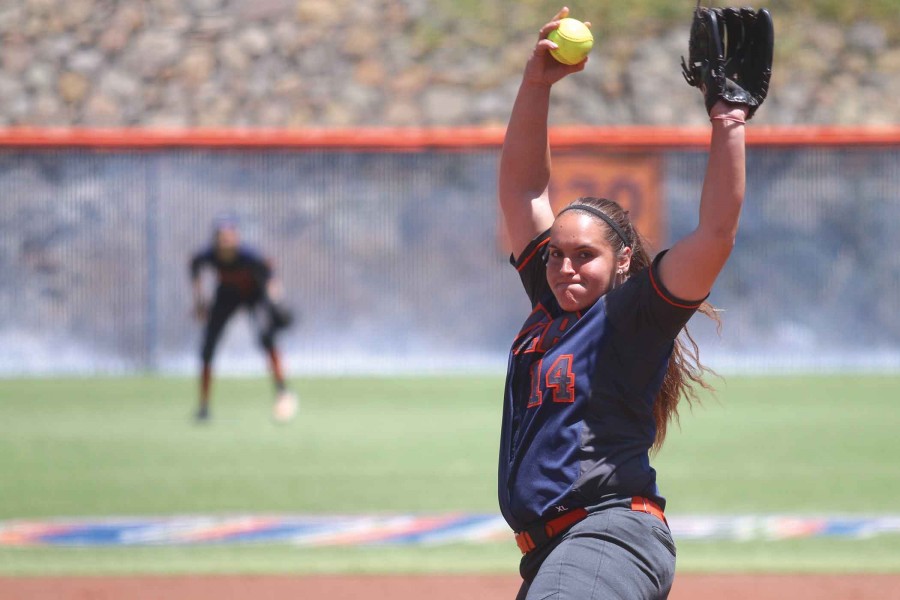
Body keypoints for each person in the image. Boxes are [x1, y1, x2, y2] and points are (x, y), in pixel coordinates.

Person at [497, 7, 770, 599]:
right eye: (555, 255)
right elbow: (523, 189)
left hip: (608, 538)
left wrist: (728, 122)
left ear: (622, 259)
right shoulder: (552, 304)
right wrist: (535, 84)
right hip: (555, 554)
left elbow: (715, 235)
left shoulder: (631, 316)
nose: (564, 266)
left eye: (584, 256)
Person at [189, 215, 297, 423]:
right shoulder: (209, 256)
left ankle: (283, 392)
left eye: (230, 237)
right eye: (222, 237)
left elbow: (270, 278)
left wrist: (276, 303)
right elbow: (194, 267)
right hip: (226, 296)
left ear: (237, 238)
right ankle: (203, 406)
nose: (226, 242)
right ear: (216, 239)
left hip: (253, 296)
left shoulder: (249, 257)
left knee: (267, 340)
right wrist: (199, 302)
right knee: (208, 347)